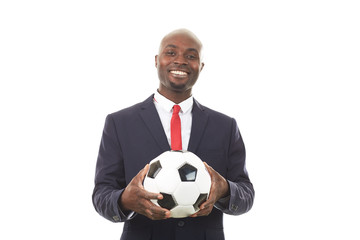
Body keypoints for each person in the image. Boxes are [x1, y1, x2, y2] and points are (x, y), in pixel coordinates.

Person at [92, 29, 254, 240]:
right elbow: (101, 194)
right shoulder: (119, 123)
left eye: (191, 56)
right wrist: (124, 200)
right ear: (157, 60)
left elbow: (246, 194)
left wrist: (225, 190)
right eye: (171, 53)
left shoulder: (225, 126)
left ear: (201, 66)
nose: (180, 61)